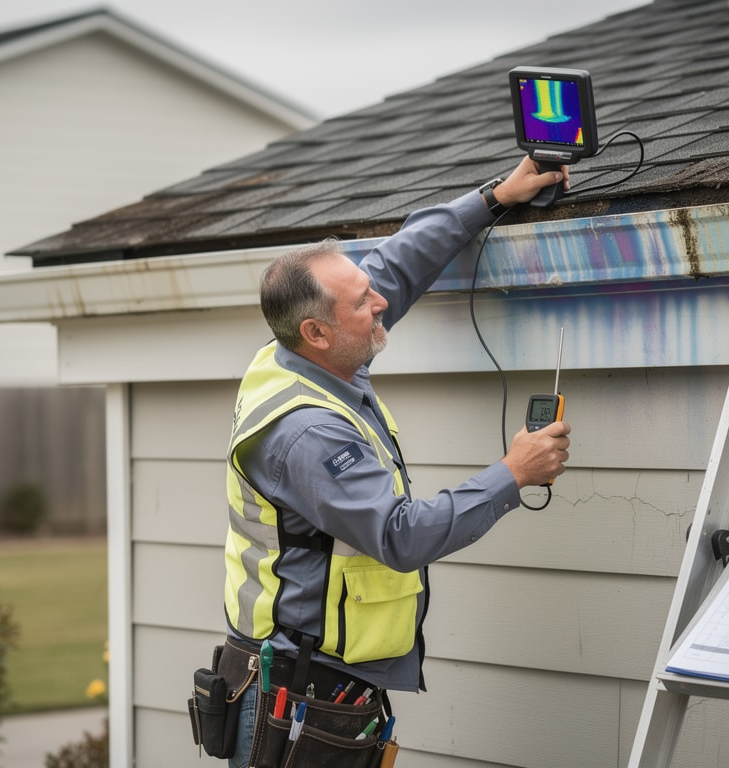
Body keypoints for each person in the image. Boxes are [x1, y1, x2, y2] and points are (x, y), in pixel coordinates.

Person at [219, 156, 572, 766]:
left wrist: (494, 197)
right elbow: (398, 535)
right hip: (300, 695)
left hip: (314, 678)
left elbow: (396, 263)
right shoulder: (308, 433)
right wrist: (512, 474)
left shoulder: (294, 352)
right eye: (363, 304)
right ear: (319, 333)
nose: (380, 301)